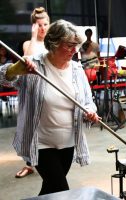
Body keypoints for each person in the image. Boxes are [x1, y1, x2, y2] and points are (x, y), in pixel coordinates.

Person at [0, 19, 99, 195]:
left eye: (76, 45)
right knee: (62, 190)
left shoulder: (77, 69)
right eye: (69, 45)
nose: (74, 50)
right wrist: (15, 69)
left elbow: (87, 102)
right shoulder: (32, 66)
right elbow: (3, 78)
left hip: (67, 142)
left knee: (51, 192)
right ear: (53, 43)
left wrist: (90, 112)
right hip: (41, 143)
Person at [15, 6, 50, 179]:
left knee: (47, 125)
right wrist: (34, 36)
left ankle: (46, 158)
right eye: (39, 25)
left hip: (49, 87)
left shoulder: (53, 44)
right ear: (34, 26)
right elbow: (26, 61)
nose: (43, 28)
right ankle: (29, 163)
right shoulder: (28, 44)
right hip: (32, 89)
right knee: (31, 126)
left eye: (45, 24)